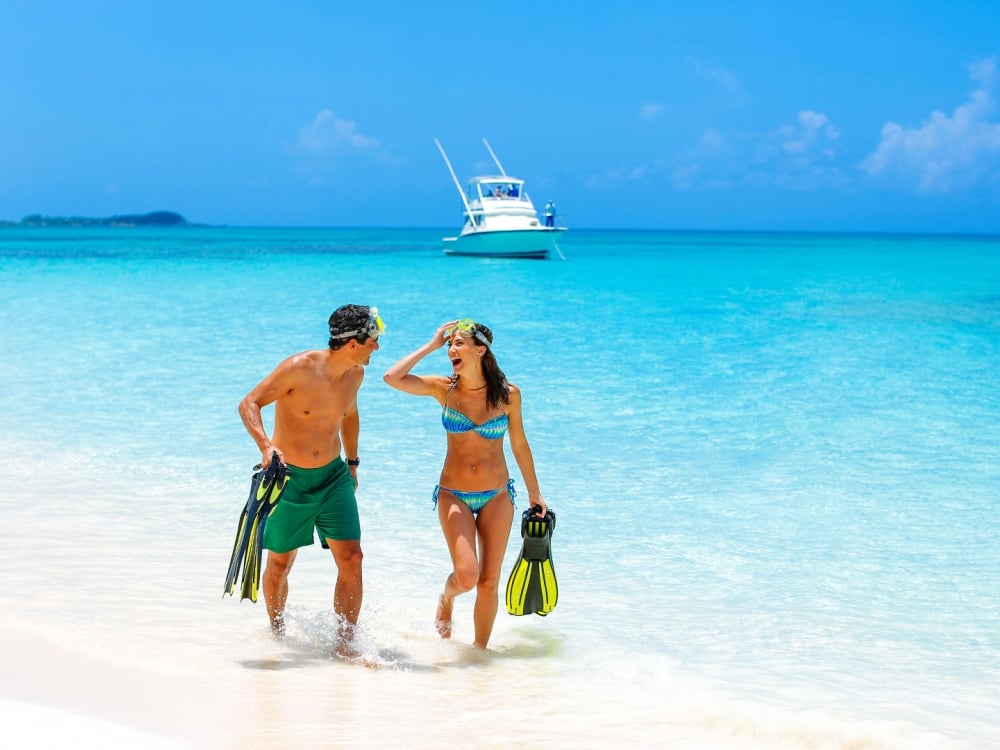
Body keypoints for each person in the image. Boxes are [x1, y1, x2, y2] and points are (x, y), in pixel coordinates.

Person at [383, 318, 547, 649]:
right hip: (453, 494)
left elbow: (519, 445)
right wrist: (430, 345)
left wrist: (535, 493)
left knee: (488, 582)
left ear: (480, 350)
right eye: (449, 345)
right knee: (467, 575)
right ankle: (446, 597)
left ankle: (479, 657)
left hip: (498, 495)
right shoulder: (443, 388)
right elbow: (392, 377)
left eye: (458, 343)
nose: (451, 349)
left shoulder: (508, 395)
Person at [238, 304, 384, 656]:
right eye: (373, 341)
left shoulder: (355, 375)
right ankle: (277, 635)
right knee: (280, 563)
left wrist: (352, 464)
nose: (376, 348)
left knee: (353, 558)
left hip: (334, 478)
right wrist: (266, 447)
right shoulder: (298, 368)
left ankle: (345, 644)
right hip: (290, 482)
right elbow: (249, 404)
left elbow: (348, 414)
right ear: (352, 343)